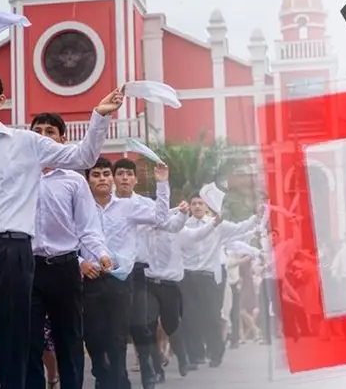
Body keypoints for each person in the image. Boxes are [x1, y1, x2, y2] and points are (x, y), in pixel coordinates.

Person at [0, 67, 122, 389]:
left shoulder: (27, 143)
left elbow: (84, 156)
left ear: (1, 100)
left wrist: (99, 117)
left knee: (15, 347)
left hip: (14, 253)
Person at [26, 112, 112, 389]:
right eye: (37, 131)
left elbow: (88, 226)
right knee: (29, 342)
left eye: (50, 131)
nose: (43, 136)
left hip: (65, 268)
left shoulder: (73, 181)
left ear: (62, 139)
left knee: (70, 340)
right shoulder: (18, 177)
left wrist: (100, 253)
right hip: (27, 268)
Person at [82, 157, 171, 389]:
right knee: (93, 337)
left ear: (111, 179)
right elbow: (69, 240)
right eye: (96, 174)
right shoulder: (80, 208)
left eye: (105, 174)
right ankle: (102, 373)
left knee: (118, 335)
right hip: (89, 280)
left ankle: (118, 382)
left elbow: (161, 218)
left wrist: (162, 183)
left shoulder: (128, 207)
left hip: (120, 279)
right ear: (88, 180)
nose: (101, 178)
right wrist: (80, 262)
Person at [132, 196, 219, 386]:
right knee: (149, 326)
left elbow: (196, 235)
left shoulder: (176, 229)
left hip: (170, 284)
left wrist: (212, 222)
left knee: (171, 324)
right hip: (148, 283)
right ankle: (156, 369)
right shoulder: (143, 230)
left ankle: (182, 356)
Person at [179, 198, 261, 368]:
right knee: (189, 316)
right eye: (193, 204)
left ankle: (216, 352)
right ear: (190, 207)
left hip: (209, 276)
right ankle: (195, 355)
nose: (197, 206)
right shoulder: (183, 226)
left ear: (206, 207)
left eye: (200, 203)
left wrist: (256, 217)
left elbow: (240, 228)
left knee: (212, 315)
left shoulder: (218, 224)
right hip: (187, 276)